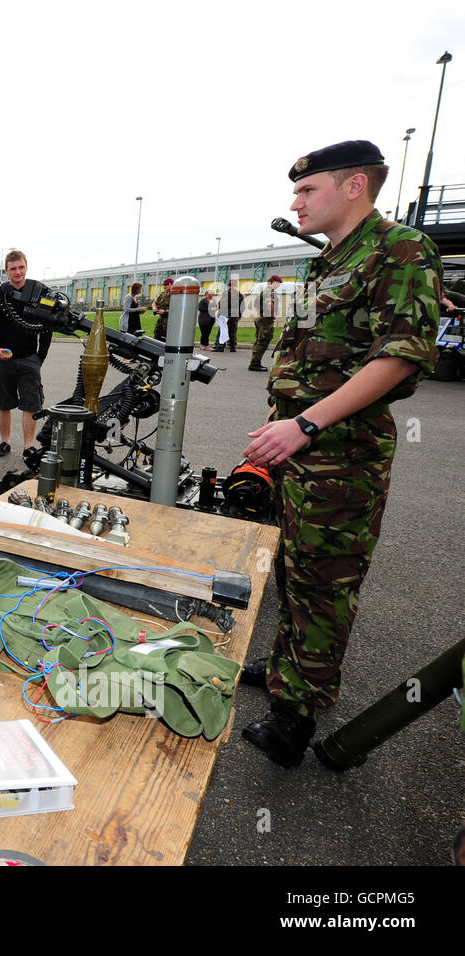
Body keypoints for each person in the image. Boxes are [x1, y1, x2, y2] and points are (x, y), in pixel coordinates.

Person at [240, 140, 441, 767]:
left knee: (326, 582)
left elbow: (400, 356)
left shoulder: (401, 249)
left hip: (342, 455)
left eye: (307, 190)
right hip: (301, 444)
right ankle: (283, 669)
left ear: (355, 186)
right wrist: (283, 418)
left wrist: (305, 422)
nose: (295, 201)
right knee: (294, 568)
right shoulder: (332, 261)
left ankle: (294, 719)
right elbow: (311, 355)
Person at [0, 249, 53, 459]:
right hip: (3, 358)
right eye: (13, 268)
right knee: (3, 403)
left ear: (26, 267)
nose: (18, 272)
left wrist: (40, 356)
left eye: (21, 267)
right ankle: (5, 442)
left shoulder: (38, 292)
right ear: (6, 271)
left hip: (29, 358)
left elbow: (48, 326)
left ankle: (28, 446)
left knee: (31, 404)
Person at [247, 274, 283, 371]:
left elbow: (256, 304)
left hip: (261, 318)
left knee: (258, 341)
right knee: (263, 342)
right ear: (274, 282)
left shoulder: (263, 291)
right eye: (279, 283)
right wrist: (272, 315)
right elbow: (269, 303)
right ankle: (255, 364)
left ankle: (254, 362)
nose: (279, 285)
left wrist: (260, 313)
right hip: (266, 320)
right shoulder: (271, 292)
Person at [218, 276, 244, 352]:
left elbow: (221, 304)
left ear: (229, 285)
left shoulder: (225, 293)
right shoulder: (239, 294)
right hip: (235, 315)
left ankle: (221, 346)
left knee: (224, 330)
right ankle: (232, 347)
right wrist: (239, 315)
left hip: (225, 314)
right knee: (233, 331)